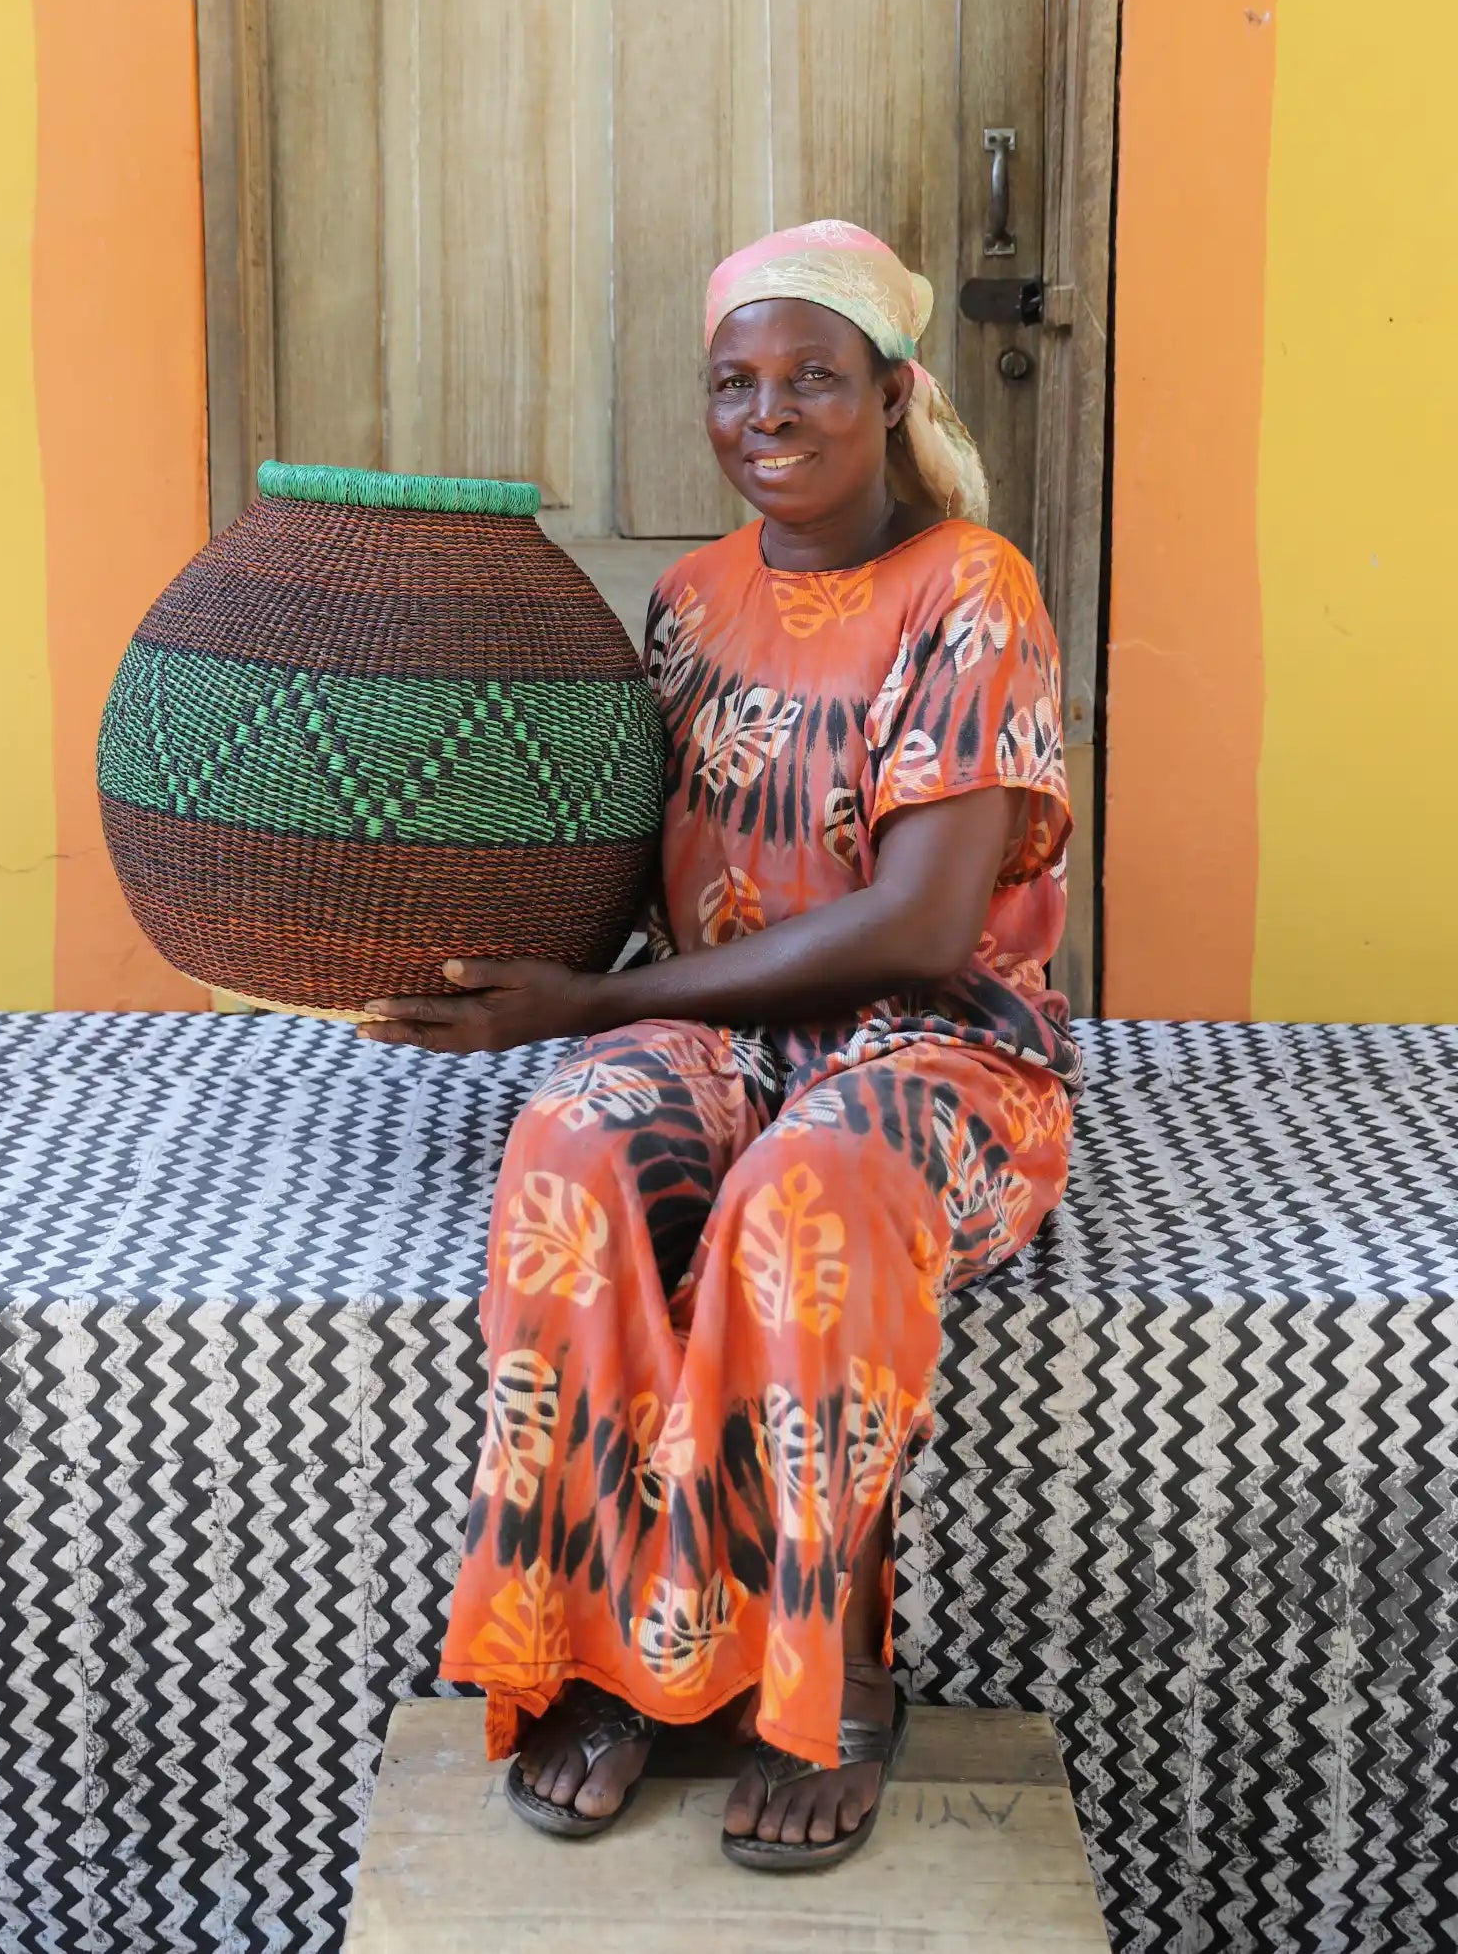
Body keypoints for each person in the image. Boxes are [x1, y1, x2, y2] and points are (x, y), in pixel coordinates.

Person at [360, 220, 1079, 1871]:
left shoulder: (971, 591)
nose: (770, 412)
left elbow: (916, 922)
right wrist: (459, 941)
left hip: (942, 1050)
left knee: (804, 1198)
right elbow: (622, 857)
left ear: (893, 391)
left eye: (814, 376)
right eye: (735, 382)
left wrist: (599, 1003)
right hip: (718, 1023)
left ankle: (830, 1681)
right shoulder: (688, 602)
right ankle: (621, 1660)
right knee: (570, 1147)